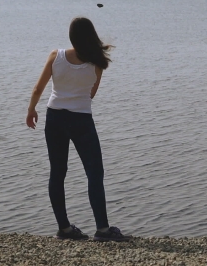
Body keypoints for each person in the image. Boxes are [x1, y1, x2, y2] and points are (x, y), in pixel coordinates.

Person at [26, 17, 130, 242]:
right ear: (92, 35)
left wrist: (31, 110)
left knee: (57, 172)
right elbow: (91, 94)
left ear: (72, 36)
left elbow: (38, 88)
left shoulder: (56, 56)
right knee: (94, 174)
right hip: (81, 120)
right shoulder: (98, 62)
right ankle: (102, 230)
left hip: (54, 118)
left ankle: (64, 229)